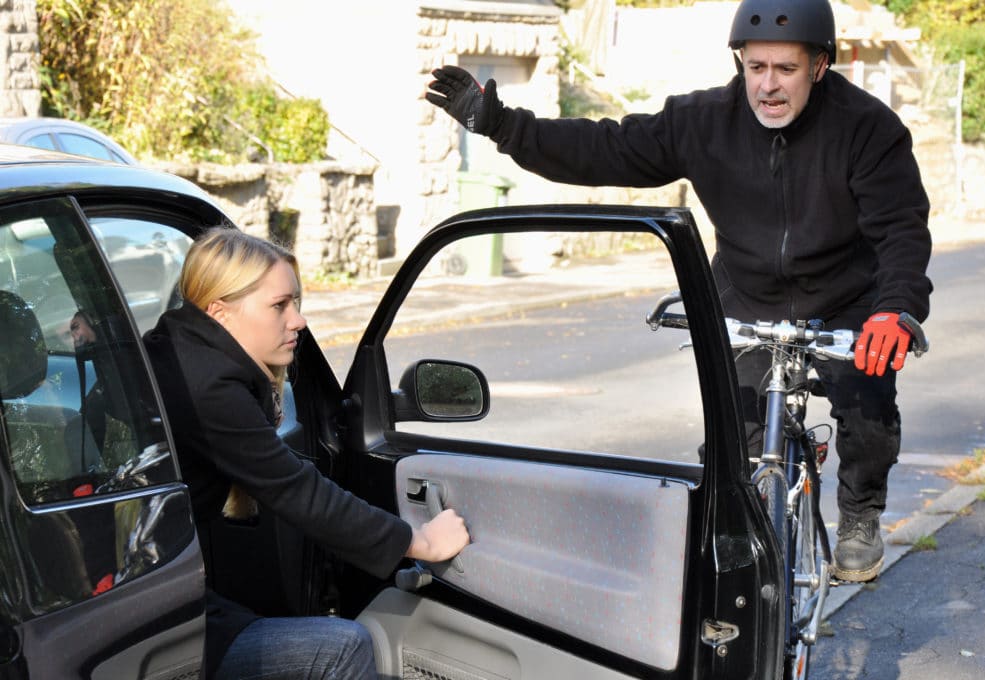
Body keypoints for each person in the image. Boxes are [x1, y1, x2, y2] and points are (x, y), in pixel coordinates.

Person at [426, 0, 931, 583]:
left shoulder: (867, 128)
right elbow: (606, 147)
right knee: (731, 449)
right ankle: (744, 582)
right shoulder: (704, 121)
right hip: (747, 295)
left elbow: (900, 227)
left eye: (785, 69)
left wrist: (896, 309)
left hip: (850, 298)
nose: (767, 85)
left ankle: (861, 514)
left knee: (866, 409)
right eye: (755, 66)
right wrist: (502, 124)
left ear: (819, 67)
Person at [144, 228, 470, 679]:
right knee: (343, 647)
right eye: (279, 306)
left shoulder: (177, 354)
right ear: (220, 311)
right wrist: (420, 541)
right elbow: (299, 492)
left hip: (147, 589)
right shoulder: (209, 388)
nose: (297, 320)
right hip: (142, 615)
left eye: (295, 303)